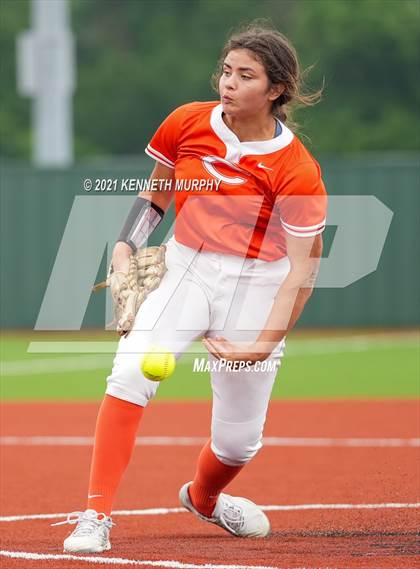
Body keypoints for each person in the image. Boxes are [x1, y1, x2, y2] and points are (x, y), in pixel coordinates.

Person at [56, 23, 327, 553]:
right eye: (226, 70)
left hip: (259, 283)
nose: (228, 83)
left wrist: (263, 343)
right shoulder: (186, 122)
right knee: (131, 371)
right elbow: (155, 199)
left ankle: (203, 498)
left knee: (238, 442)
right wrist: (126, 246)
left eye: (245, 75)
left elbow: (302, 270)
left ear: (275, 90)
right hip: (190, 267)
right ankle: (94, 516)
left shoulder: (296, 169)